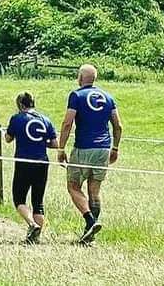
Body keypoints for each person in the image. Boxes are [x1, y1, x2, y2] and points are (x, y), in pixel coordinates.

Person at [58, 64, 123, 245]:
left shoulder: (76, 96)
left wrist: (61, 148)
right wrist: (115, 148)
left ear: (80, 77)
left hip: (83, 148)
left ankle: (90, 221)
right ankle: (89, 235)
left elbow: (67, 123)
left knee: (73, 186)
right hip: (104, 148)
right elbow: (118, 126)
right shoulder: (108, 97)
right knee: (94, 192)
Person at [6, 92, 58, 244]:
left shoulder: (17, 118)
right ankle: (36, 238)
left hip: (24, 162)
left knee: (19, 198)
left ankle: (32, 224)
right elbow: (55, 144)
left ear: (21, 105)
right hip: (42, 162)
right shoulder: (46, 120)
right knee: (38, 201)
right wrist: (42, 143)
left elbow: (8, 139)